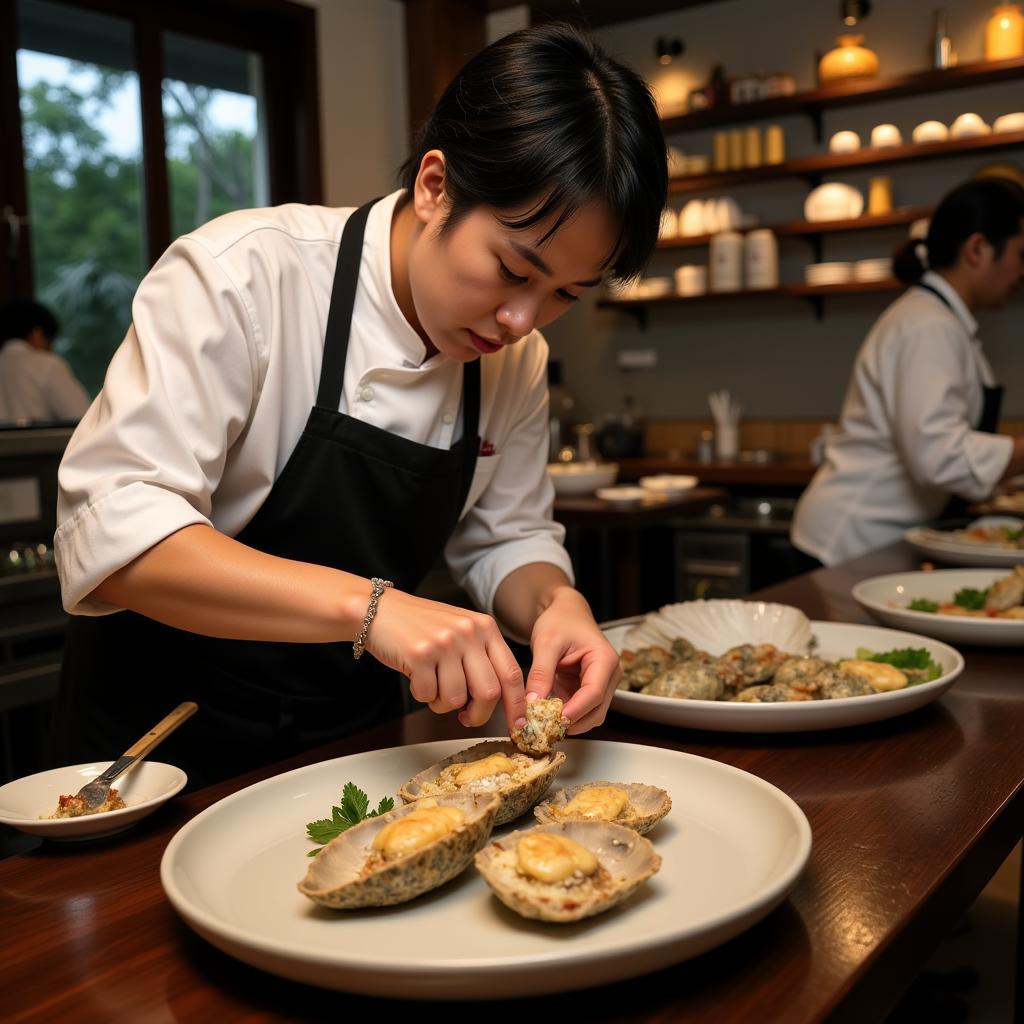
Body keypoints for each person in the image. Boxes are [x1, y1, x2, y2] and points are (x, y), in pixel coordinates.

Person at [50, 24, 668, 788]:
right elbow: (113, 540)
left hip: (348, 750)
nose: (522, 320)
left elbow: (506, 536)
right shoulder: (244, 277)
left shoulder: (517, 360)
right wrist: (371, 609)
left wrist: (557, 605)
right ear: (436, 187)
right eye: (513, 270)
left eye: (565, 295)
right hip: (157, 746)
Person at [792, 177, 1024, 568]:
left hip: (873, 540)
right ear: (978, 249)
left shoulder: (940, 320)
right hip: (848, 542)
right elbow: (938, 455)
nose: (1021, 272)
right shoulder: (929, 325)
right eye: (1021, 254)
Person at [0, 300, 89, 424]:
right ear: (37, 334)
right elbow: (83, 418)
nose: (51, 349)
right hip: (40, 443)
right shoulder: (47, 364)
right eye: (50, 341)